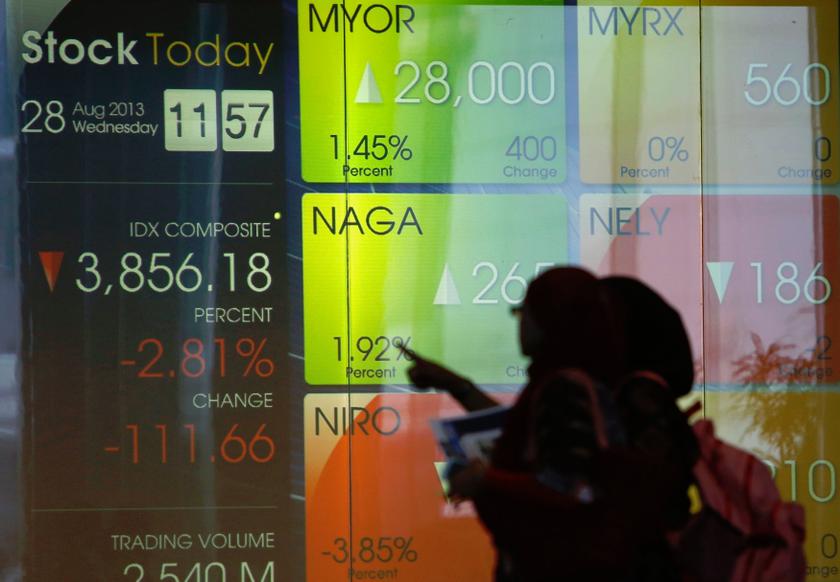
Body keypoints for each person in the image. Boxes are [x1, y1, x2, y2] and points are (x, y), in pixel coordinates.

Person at [404, 267, 672, 581]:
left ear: (551, 318)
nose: (519, 322)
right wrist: (457, 385)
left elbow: (571, 488)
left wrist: (484, 481)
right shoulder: (568, 379)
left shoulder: (566, 385)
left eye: (524, 312)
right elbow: (536, 440)